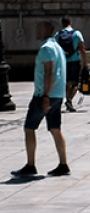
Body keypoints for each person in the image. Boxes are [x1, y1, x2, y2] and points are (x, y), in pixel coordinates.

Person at [12, 21, 70, 177]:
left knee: (29, 128)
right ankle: (63, 164)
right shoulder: (58, 47)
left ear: (45, 30)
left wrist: (45, 96)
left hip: (44, 95)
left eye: (38, 28)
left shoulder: (46, 48)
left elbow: (49, 72)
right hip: (57, 94)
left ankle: (30, 165)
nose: (35, 31)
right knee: (55, 129)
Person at [56, 16, 87, 113]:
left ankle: (67, 99)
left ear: (62, 24)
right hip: (74, 61)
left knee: (66, 82)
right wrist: (85, 63)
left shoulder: (58, 35)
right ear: (71, 23)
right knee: (75, 83)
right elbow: (82, 49)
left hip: (63, 62)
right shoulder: (77, 34)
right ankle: (69, 100)